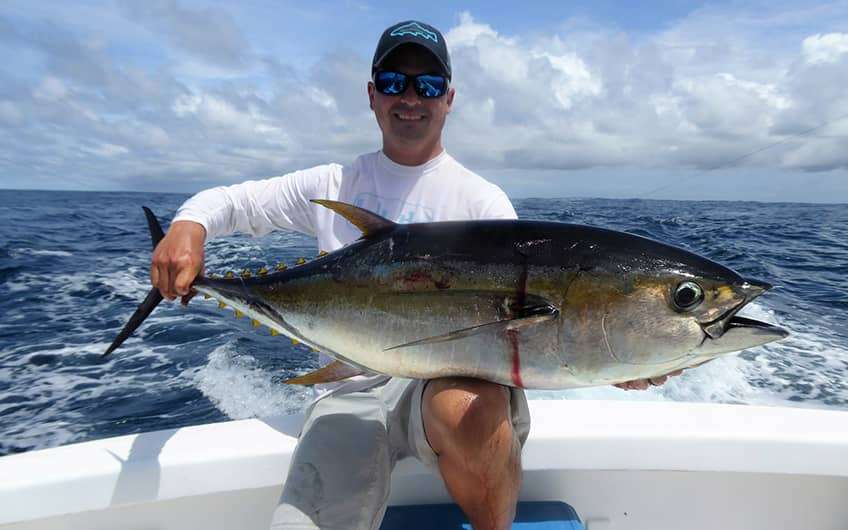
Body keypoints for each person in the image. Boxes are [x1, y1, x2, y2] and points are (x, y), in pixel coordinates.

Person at [151, 20, 678, 530]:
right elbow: (228, 202)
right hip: (350, 390)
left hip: (449, 381)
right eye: (392, 81)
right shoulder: (335, 181)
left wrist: (613, 356)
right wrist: (187, 230)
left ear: (448, 98)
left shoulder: (481, 201)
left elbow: (530, 334)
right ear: (371, 93)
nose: (410, 97)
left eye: (427, 84)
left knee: (470, 408)